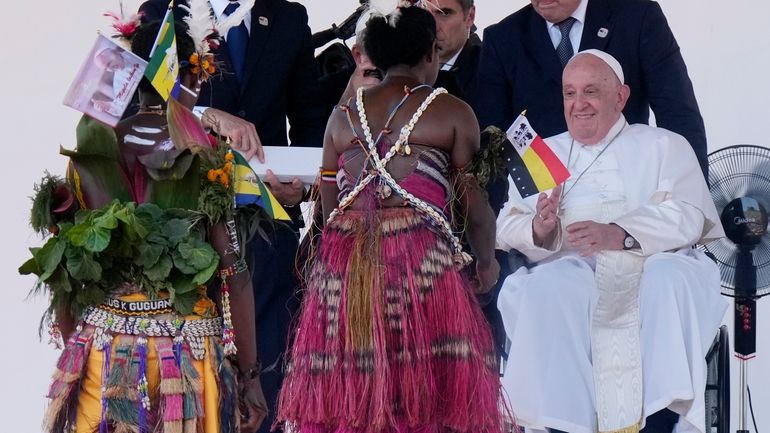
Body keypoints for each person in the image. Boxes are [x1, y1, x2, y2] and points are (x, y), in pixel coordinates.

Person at [27, 19, 266, 433]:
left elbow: (62, 273)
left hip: (105, 353)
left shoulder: (87, 155)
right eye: (200, 70)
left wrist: (78, 351)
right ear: (189, 72)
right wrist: (250, 377)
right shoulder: (208, 155)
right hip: (187, 359)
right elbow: (235, 274)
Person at [276, 6, 506, 433]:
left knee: (352, 397)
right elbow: (475, 208)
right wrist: (487, 262)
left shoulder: (341, 116)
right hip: (421, 266)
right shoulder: (452, 112)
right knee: (426, 399)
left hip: (345, 267)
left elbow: (328, 207)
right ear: (430, 55)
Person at [495, 50, 727, 433]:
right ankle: (562, 423)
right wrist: (541, 227)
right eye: (569, 93)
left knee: (668, 278)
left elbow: (690, 213)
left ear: (620, 97)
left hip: (650, 263)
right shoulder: (542, 154)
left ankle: (660, 419)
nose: (578, 104)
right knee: (547, 289)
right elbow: (508, 225)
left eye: (590, 91)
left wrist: (621, 233)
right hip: (574, 267)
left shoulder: (664, 145)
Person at [138, 3, 327, 431]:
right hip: (183, 231)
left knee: (267, 379)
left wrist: (303, 184)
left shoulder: (289, 17)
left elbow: (310, 119)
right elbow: (141, 103)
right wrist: (206, 115)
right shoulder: (165, 10)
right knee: (186, 379)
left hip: (266, 227)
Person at [474, 0, 709, 175]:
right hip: (544, 206)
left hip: (631, 191)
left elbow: (678, 114)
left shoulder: (638, 17)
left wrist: (693, 204)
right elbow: (496, 135)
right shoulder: (503, 38)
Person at [429, 0, 479, 103]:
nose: (432, 25)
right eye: (424, 12)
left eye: (444, 13)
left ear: (470, 16)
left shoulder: (490, 72)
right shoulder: (398, 68)